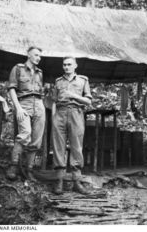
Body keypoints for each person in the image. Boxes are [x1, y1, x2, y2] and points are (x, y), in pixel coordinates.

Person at [52, 56, 92, 195]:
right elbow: (53, 100)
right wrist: (53, 116)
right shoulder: (58, 81)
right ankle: (59, 181)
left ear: (75, 65)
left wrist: (73, 96)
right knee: (58, 147)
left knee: (76, 147)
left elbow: (88, 101)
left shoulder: (83, 80)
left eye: (69, 64)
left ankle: (77, 182)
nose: (66, 67)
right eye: (64, 65)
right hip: (60, 113)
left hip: (76, 113)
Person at [6, 46, 45, 181]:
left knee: (36, 140)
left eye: (40, 56)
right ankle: (13, 166)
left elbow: (40, 92)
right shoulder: (18, 68)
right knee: (25, 134)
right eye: (36, 55)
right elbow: (11, 89)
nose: (38, 58)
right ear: (28, 54)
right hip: (24, 104)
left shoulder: (40, 72)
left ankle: (29, 170)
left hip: (39, 105)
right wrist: (18, 108)